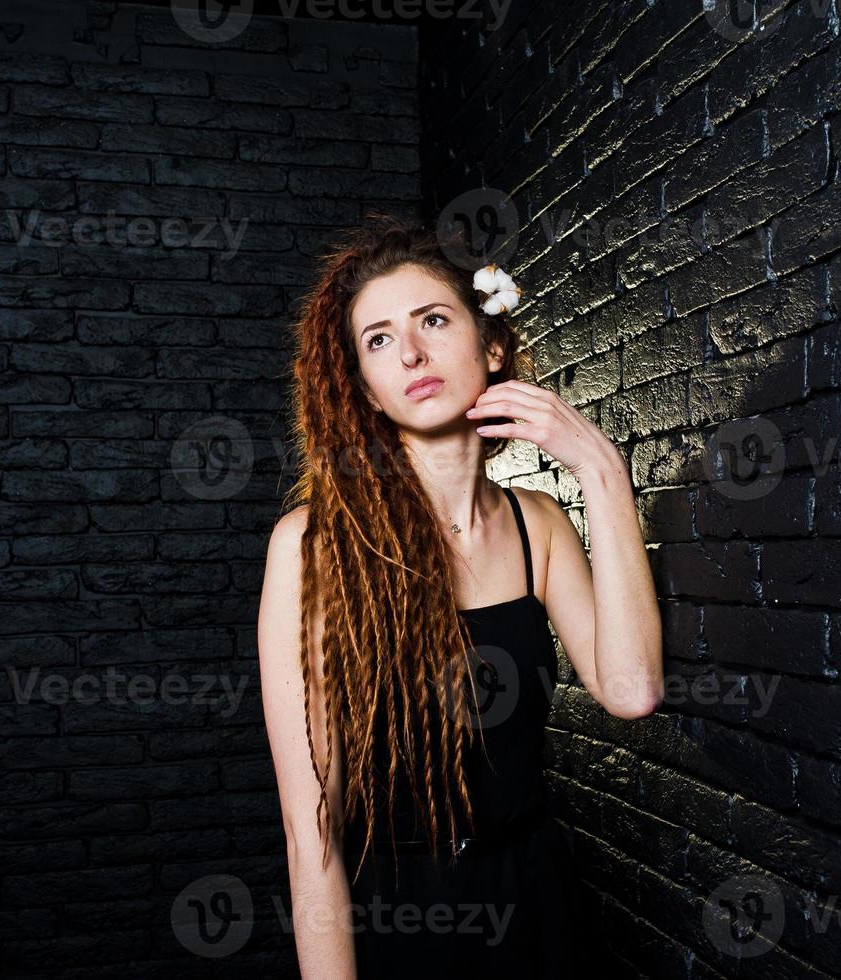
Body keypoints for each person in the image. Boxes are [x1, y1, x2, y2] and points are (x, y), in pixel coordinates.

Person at [256, 214, 664, 978]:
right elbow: (309, 823)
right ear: (367, 391)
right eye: (377, 339)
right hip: (404, 913)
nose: (408, 351)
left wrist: (600, 472)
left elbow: (633, 689)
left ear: (493, 347)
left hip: (538, 901)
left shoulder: (535, 524)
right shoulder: (313, 546)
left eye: (432, 321)